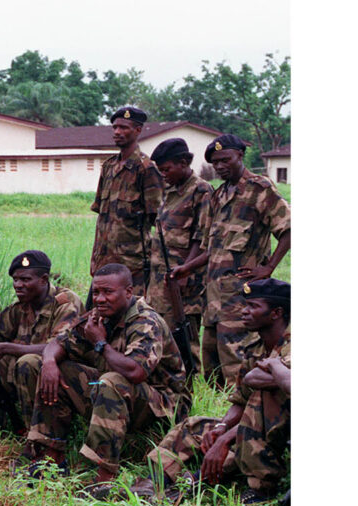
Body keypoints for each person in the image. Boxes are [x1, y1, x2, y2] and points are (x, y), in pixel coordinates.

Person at [15, 264, 188, 497]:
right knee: (37, 363)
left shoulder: (146, 321)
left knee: (112, 381)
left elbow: (136, 372)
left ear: (128, 292)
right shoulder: (99, 316)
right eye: (96, 292)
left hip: (162, 405)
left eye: (108, 292)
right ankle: (51, 456)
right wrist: (48, 363)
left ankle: (103, 475)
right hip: (117, 392)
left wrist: (99, 343)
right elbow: (58, 343)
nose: (100, 299)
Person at [136, 279, 290, 504]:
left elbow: (262, 389)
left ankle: (260, 491)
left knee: (261, 395)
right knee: (194, 427)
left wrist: (226, 439)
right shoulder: (255, 347)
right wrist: (221, 428)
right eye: (245, 305)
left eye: (253, 307)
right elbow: (240, 401)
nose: (244, 312)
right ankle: (154, 481)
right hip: (251, 431)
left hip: (281, 437)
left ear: (276, 313)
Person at [174, 134, 290, 386]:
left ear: (240, 155)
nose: (220, 166)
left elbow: (289, 228)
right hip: (214, 299)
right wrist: (186, 268)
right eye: (216, 162)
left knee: (237, 369)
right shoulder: (218, 195)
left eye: (225, 159)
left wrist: (269, 267)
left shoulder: (260, 190)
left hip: (241, 300)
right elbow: (211, 248)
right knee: (212, 368)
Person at [0, 250, 83, 436]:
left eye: (25, 280)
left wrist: (5, 347)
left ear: (44, 280)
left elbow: (62, 345)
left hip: (61, 372)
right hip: (26, 369)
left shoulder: (66, 302)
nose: (18, 285)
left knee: (28, 362)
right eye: (15, 279)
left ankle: (38, 438)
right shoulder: (22, 305)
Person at [147, 138, 212, 377]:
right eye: (160, 170)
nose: (163, 175)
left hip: (183, 280)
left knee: (184, 335)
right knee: (161, 332)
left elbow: (201, 236)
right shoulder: (171, 191)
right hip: (160, 279)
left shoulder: (200, 190)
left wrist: (186, 271)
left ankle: (190, 385)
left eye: (167, 169)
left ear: (184, 162)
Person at [89, 106, 163, 292]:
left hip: (132, 266)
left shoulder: (146, 168)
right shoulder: (108, 167)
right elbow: (101, 214)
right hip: (103, 262)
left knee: (132, 316)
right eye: (115, 127)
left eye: (124, 128)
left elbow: (157, 219)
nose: (117, 132)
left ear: (137, 130)